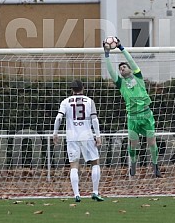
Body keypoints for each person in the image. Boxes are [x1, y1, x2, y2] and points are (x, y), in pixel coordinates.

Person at [103, 37, 162, 178]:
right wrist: (107, 54)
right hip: (133, 117)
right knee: (133, 145)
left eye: (124, 67)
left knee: (152, 142)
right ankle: (133, 165)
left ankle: (155, 166)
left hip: (146, 115)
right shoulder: (121, 84)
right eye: (120, 68)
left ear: (129, 69)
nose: (122, 69)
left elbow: (132, 62)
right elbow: (111, 71)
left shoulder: (138, 77)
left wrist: (121, 48)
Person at [53, 80, 104, 202]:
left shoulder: (65, 102)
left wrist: (55, 133)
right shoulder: (89, 101)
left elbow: (59, 117)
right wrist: (98, 135)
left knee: (74, 165)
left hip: (71, 136)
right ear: (83, 88)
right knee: (95, 163)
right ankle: (95, 192)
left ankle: (77, 194)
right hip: (86, 135)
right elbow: (94, 119)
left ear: (72, 89)